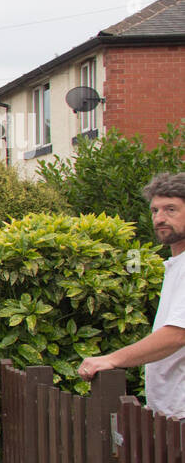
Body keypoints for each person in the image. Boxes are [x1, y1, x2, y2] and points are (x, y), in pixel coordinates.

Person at [79, 173, 185, 417]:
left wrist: (112, 359)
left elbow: (177, 334)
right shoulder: (175, 265)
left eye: (171, 209)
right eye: (155, 210)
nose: (160, 218)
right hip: (172, 414)